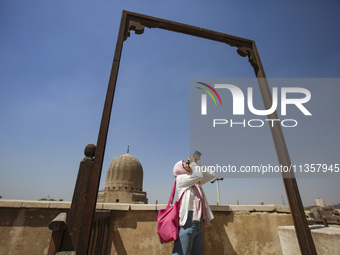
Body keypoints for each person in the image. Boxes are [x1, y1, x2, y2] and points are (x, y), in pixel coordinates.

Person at [172, 153, 216, 255]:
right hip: (188, 220)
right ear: (179, 169)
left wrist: (199, 163)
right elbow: (198, 175)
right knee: (182, 253)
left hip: (198, 221)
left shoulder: (194, 181)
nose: (188, 163)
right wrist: (193, 163)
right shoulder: (181, 179)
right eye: (185, 163)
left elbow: (211, 175)